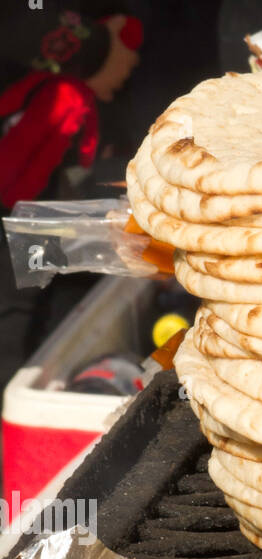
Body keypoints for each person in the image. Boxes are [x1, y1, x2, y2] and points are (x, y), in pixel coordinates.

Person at [0, 9, 143, 399]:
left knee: (27, 305)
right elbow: (41, 169)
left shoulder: (42, 85)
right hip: (27, 220)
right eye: (122, 68)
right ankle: (11, 392)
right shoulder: (68, 96)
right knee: (17, 311)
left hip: (26, 215)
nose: (125, 77)